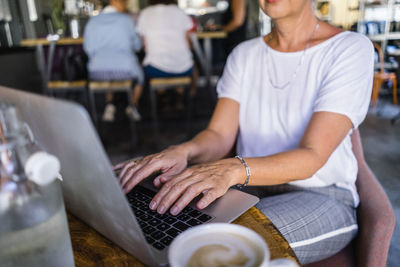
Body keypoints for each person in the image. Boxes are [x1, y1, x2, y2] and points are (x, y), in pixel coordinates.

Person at [115, 0, 374, 264]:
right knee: (166, 227)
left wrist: (232, 169)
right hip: (250, 189)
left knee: (212, 247)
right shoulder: (244, 54)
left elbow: (313, 156)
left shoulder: (349, 48)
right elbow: (218, 135)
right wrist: (183, 150)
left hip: (322, 195)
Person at [83, 0, 143, 122]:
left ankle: (109, 105)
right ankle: (132, 105)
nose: (126, 5)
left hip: (97, 72)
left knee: (108, 72)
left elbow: (88, 49)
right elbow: (137, 46)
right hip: (126, 70)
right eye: (124, 2)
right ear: (114, 2)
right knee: (140, 77)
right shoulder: (126, 20)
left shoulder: (92, 21)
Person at [137, 0, 197, 96]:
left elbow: (145, 47)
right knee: (194, 67)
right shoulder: (179, 12)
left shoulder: (145, 13)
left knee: (144, 66)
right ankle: (189, 95)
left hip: (155, 69)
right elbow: (188, 44)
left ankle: (161, 95)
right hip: (183, 68)